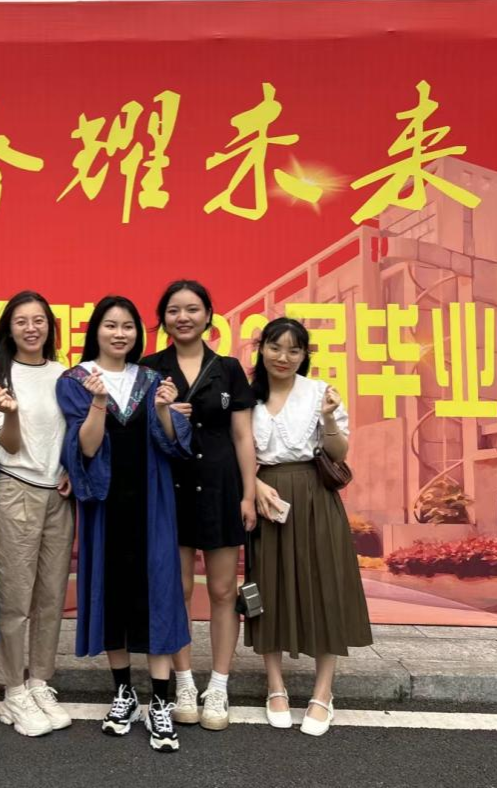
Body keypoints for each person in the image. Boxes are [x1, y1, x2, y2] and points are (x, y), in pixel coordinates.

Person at [56, 296, 190, 753]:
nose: (119, 334)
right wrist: (98, 402)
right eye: (110, 325)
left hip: (151, 501)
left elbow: (174, 445)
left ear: (138, 333)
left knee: (158, 594)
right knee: (111, 594)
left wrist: (165, 410)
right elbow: (87, 448)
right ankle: (123, 693)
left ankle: (160, 702)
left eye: (128, 326)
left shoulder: (151, 380)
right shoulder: (75, 381)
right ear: (95, 330)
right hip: (105, 505)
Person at [246, 317, 372, 737]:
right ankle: (275, 686)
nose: (283, 357)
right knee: (267, 589)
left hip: (315, 498)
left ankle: (323, 692)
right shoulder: (247, 395)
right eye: (275, 347)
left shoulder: (319, 392)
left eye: (293, 350)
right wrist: (254, 485)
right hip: (267, 498)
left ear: (304, 355)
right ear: (261, 348)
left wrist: (329, 419)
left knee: (325, 587)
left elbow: (338, 452)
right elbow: (237, 449)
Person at [141, 280, 256, 730]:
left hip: (221, 487)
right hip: (170, 489)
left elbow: (242, 435)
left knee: (224, 591)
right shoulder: (150, 368)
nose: (183, 317)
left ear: (209, 315)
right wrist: (163, 416)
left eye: (192, 309)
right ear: (163, 319)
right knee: (179, 590)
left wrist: (248, 493)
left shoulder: (228, 369)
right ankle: (185, 683)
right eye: (173, 310)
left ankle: (219, 685)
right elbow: (137, 433)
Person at [0, 291, 74, 738]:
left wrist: (72, 470)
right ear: (9, 328)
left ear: (50, 326)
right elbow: (10, 444)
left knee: (50, 596)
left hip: (59, 495)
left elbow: (73, 433)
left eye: (39, 320)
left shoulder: (64, 374)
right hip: (17, 489)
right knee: (15, 599)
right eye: (21, 321)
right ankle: (13, 690)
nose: (31, 328)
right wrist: (12, 414)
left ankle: (39, 682)